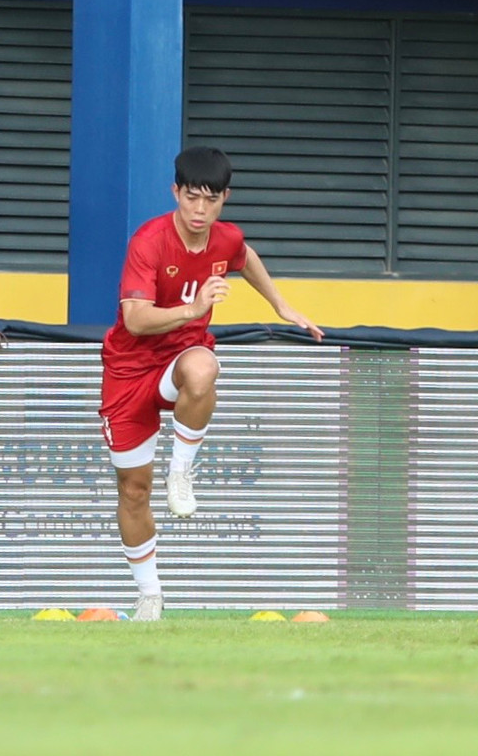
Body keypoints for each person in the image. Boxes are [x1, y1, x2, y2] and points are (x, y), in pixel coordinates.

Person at [99, 146, 324, 621]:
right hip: (129, 369)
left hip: (181, 358)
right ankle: (150, 597)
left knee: (203, 369)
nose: (201, 210)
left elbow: (246, 256)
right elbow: (136, 321)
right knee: (134, 490)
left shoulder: (225, 239)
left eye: (212, 200)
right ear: (175, 193)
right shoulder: (149, 241)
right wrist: (194, 310)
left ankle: (181, 472)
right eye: (192, 198)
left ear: (225, 198)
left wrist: (281, 305)